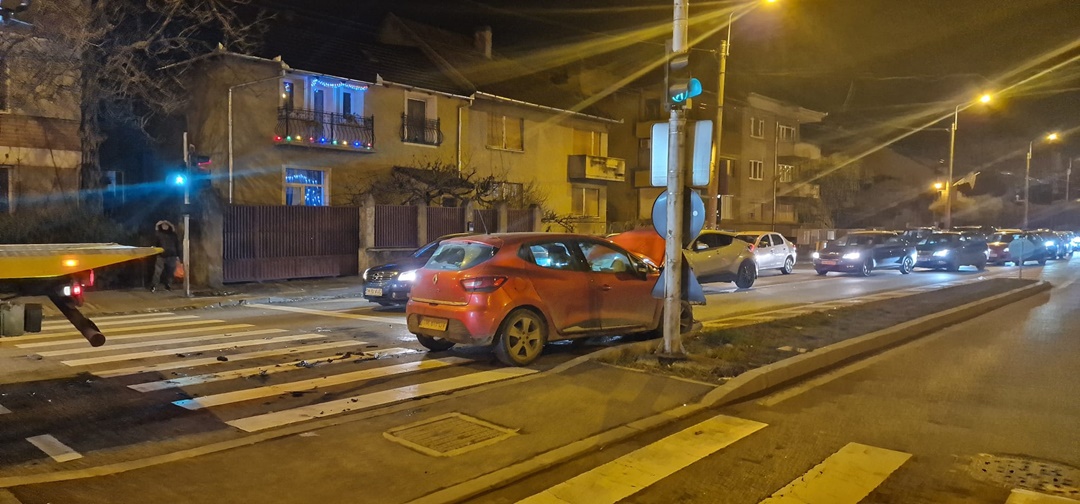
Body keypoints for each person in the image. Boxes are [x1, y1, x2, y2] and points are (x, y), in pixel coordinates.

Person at [151, 220, 181, 292]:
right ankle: (153, 286)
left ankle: (167, 285)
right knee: (158, 272)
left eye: (166, 225)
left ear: (169, 226)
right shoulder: (158, 234)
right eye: (163, 225)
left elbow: (177, 245)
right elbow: (155, 243)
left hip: (172, 255)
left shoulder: (173, 235)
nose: (164, 226)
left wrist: (178, 255)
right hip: (161, 255)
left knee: (170, 272)